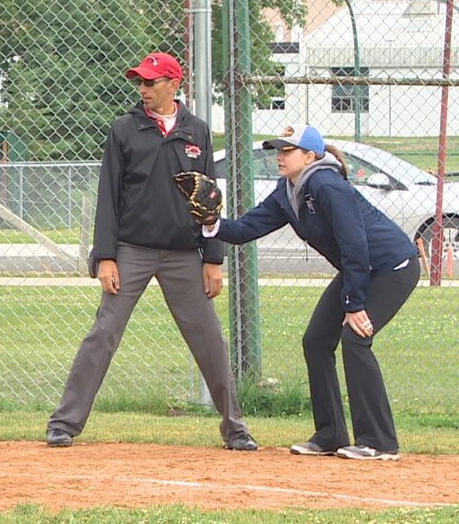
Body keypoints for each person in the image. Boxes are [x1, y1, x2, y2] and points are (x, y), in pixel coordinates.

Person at [46, 52, 258, 451]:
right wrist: (105, 255)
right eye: (140, 82)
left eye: (150, 81)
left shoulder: (196, 131)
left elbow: (210, 198)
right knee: (104, 332)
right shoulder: (125, 129)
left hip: (183, 253)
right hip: (132, 250)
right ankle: (64, 423)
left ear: (172, 85)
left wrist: (213, 258)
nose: (143, 88)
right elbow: (108, 195)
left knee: (209, 337)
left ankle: (235, 427)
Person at [202, 125, 420, 461]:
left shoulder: (327, 185)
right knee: (316, 341)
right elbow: (247, 228)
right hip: (359, 269)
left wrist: (354, 304)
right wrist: (211, 221)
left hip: (392, 267)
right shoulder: (288, 190)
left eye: (288, 150)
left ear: (310, 155)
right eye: (278, 150)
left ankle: (379, 441)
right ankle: (331, 434)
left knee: (355, 338)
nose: (280, 156)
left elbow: (355, 244)